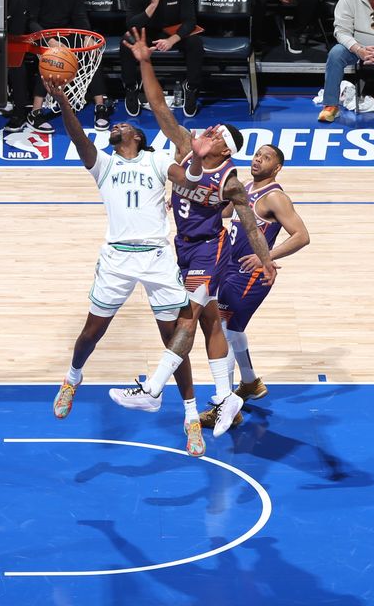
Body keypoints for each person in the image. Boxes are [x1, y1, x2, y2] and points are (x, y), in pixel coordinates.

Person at [111, 28, 277, 439]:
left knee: (186, 316)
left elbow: (252, 226)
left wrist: (268, 260)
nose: (207, 132)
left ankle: (153, 388)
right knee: (209, 324)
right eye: (209, 130)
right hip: (181, 247)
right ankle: (225, 398)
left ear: (224, 151)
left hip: (210, 250)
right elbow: (156, 104)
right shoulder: (184, 145)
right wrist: (145, 60)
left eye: (216, 135)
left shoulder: (232, 181)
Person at [46, 79, 215, 457]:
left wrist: (198, 158)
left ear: (138, 136)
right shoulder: (104, 165)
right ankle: (72, 379)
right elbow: (79, 139)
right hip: (117, 259)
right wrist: (62, 101)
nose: (116, 126)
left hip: (156, 257)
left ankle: (190, 417)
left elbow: (188, 179)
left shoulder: (156, 160)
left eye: (123, 125)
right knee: (92, 331)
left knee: (173, 339)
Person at [198, 143, 310, 430]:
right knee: (232, 330)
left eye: (267, 157)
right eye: (257, 155)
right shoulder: (247, 186)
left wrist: (266, 257)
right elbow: (225, 214)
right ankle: (249, 383)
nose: (259, 160)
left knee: (221, 331)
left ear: (278, 167)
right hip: (230, 268)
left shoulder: (275, 198)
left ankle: (227, 408)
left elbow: (301, 236)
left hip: (250, 275)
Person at [24, 0, 110, 132]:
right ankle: (36, 112)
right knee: (51, 56)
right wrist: (49, 39)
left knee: (92, 50)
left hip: (66, 32)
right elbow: (30, 20)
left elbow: (79, 15)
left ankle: (100, 106)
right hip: (39, 33)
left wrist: (87, 36)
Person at [119, 0, 205, 118]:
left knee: (195, 43)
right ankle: (131, 88)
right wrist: (153, 4)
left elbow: (190, 21)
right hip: (147, 31)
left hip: (173, 31)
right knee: (126, 41)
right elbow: (131, 24)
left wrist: (172, 40)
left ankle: (191, 88)